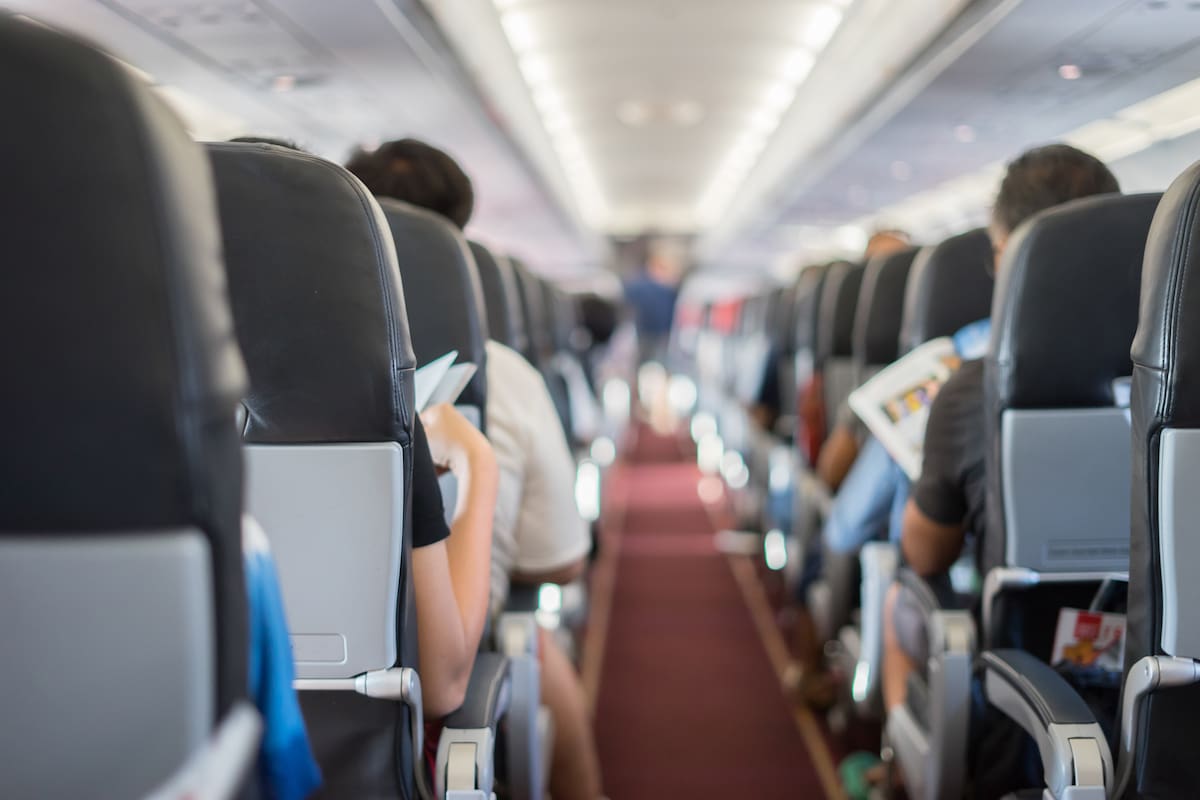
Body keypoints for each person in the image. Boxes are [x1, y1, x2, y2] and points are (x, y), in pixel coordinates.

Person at [347, 138, 603, 800]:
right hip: (430, 686)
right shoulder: (494, 381)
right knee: (535, 650)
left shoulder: (189, 397)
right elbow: (560, 562)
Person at [880, 144, 1121, 716]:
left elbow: (926, 553)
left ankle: (895, 763)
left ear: (1011, 256)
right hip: (1166, 684)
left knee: (901, 597)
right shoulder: (1178, 380)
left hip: (1021, 689)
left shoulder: (974, 387)